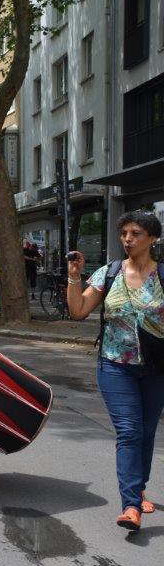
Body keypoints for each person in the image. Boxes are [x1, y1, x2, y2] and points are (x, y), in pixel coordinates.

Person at [67, 211, 164, 532]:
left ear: (153, 238)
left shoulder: (162, 275)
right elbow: (78, 311)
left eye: (136, 233)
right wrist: (74, 277)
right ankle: (131, 505)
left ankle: (139, 487)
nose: (128, 238)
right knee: (129, 432)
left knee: (147, 432)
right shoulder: (108, 273)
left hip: (156, 368)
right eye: (124, 233)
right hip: (115, 366)